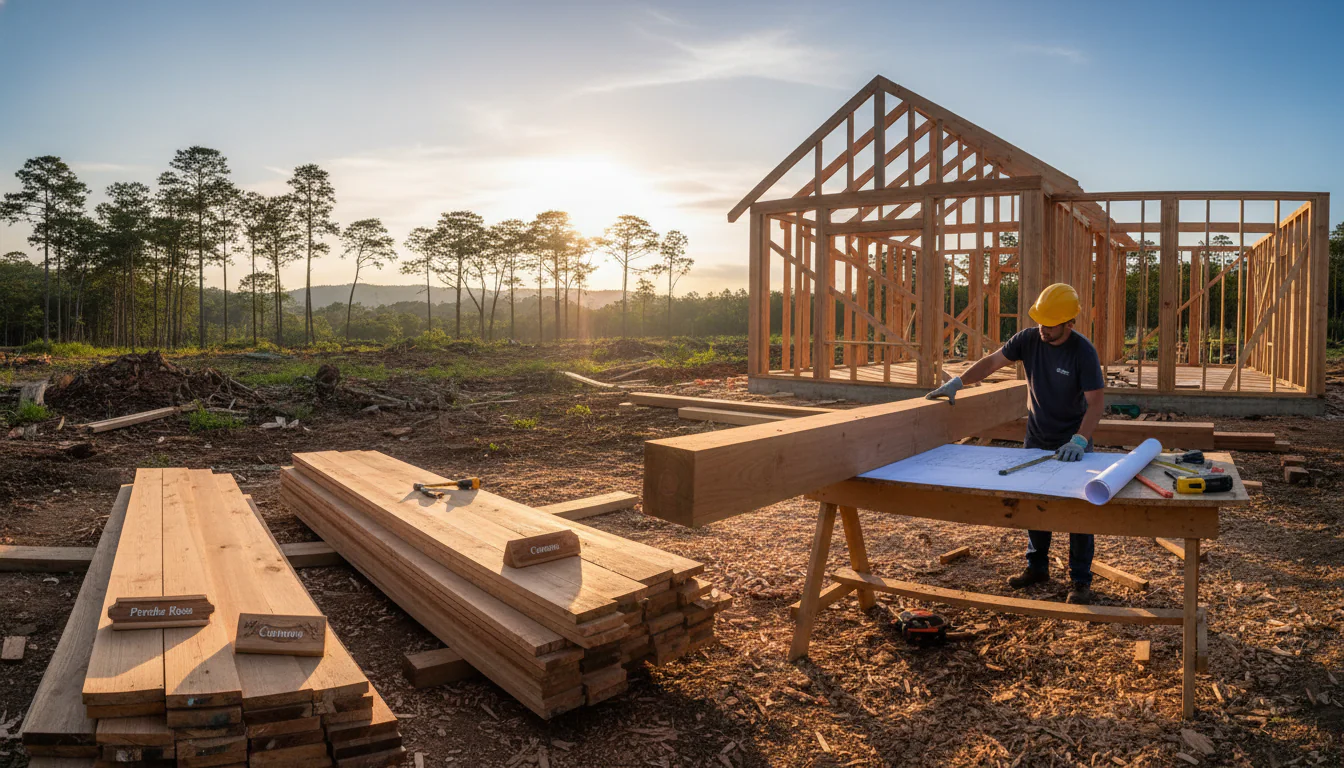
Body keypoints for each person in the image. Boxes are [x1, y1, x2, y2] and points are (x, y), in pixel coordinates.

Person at [926, 283, 1105, 604]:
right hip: (1037, 437)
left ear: (1069, 323)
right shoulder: (1029, 339)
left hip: (1074, 444)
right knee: (1034, 504)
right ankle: (1037, 567)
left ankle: (1080, 580)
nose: (1042, 329)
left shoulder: (1083, 352)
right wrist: (958, 382)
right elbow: (992, 362)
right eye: (1040, 321)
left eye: (1050, 324)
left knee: (1079, 513)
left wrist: (1080, 440)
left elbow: (1095, 403)